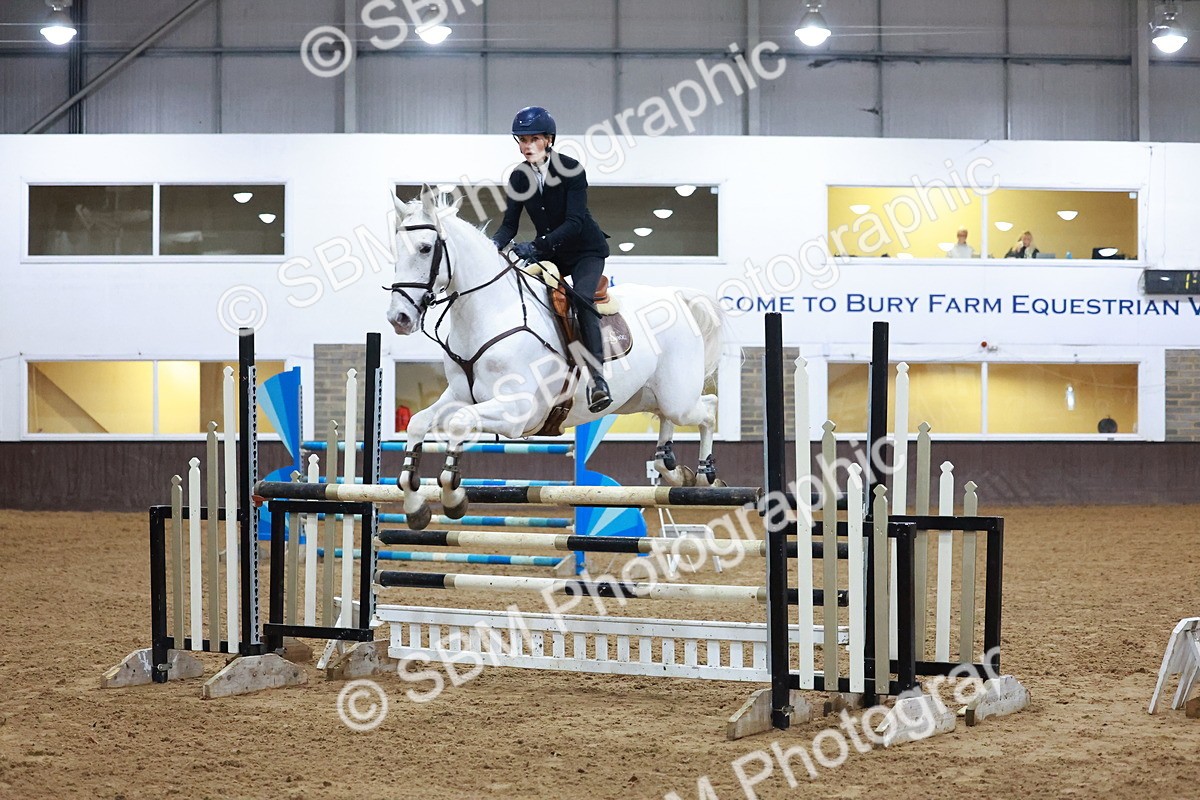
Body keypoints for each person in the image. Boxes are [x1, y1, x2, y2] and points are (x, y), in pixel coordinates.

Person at [491, 106, 613, 413]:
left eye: (534, 139)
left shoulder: (571, 169)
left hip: (585, 250)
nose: (527, 145)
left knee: (582, 298)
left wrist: (536, 246)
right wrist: (491, 247)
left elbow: (574, 223)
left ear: (549, 140)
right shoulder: (519, 177)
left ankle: (598, 379)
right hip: (551, 254)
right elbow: (509, 225)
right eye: (522, 139)